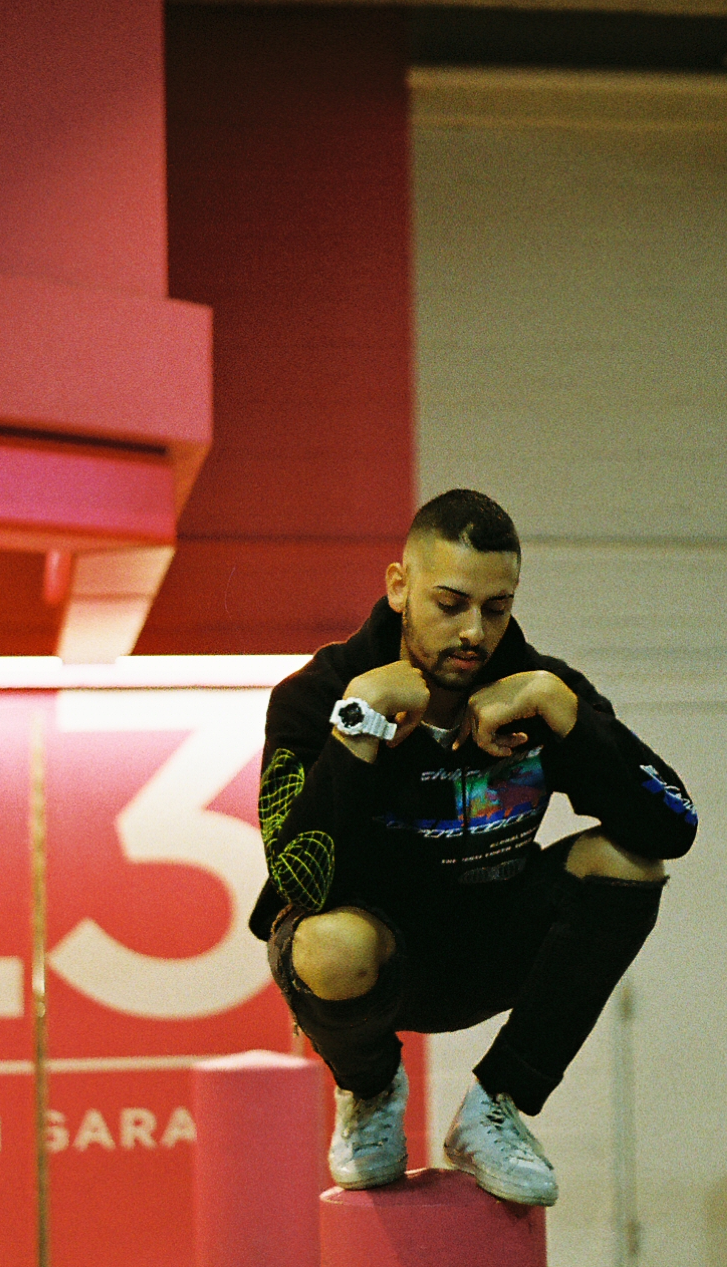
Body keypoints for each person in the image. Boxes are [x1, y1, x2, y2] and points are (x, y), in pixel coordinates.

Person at [249, 489, 697, 1206]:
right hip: (379, 954)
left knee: (628, 862)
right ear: (400, 587)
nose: (474, 632)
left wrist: (566, 715)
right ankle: (369, 1092)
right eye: (450, 604)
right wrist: (359, 728)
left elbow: (673, 826)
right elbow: (302, 880)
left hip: (493, 944)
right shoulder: (322, 695)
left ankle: (497, 1108)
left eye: (496, 608)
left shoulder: (542, 691)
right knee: (328, 943)